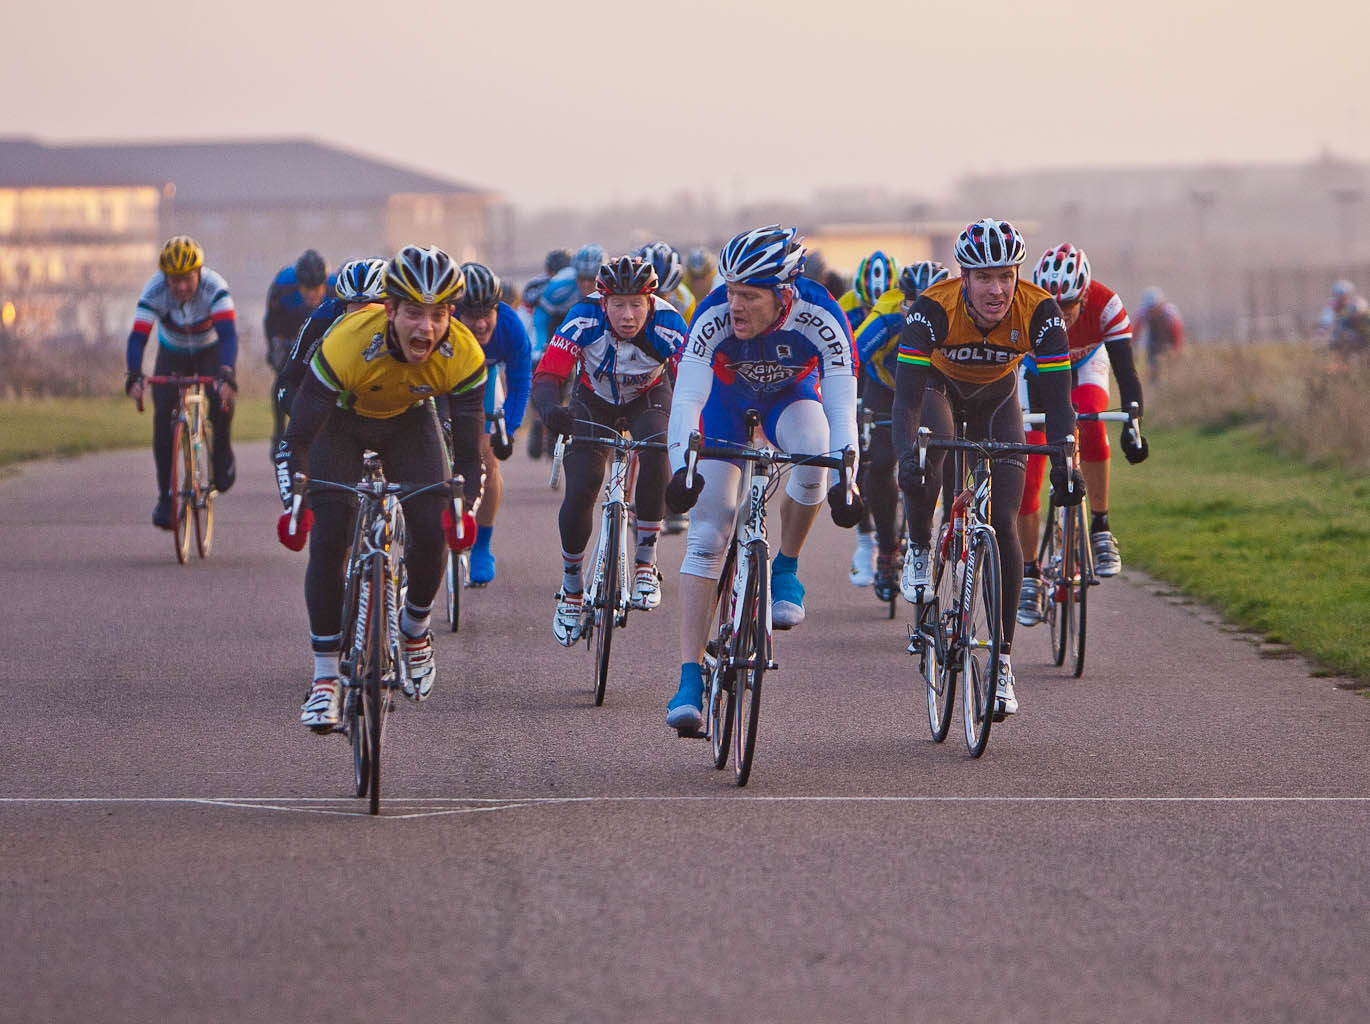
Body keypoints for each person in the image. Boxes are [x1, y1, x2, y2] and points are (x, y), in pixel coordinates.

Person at [274, 245, 487, 730]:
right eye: (413, 313)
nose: (425, 329)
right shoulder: (347, 341)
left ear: (450, 314)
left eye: (437, 315)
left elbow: (471, 460)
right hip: (340, 424)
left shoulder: (463, 354)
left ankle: (414, 629)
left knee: (433, 528)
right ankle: (326, 678)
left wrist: (464, 511)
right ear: (389, 309)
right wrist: (295, 504)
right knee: (328, 537)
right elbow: (297, 440)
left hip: (409, 422)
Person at [663, 225, 863, 730]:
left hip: (788, 400)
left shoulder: (821, 314)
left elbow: (842, 406)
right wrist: (681, 470)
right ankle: (690, 678)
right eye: (731, 292)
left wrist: (848, 478)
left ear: (783, 296)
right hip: (726, 406)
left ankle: (787, 569)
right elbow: (686, 399)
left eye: (749, 296)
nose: (735, 306)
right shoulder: (711, 315)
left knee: (816, 453)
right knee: (709, 532)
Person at [893, 219, 1081, 719]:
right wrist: (905, 456)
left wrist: (1066, 458)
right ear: (964, 277)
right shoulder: (933, 308)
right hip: (939, 390)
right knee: (928, 461)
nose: (996, 289)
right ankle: (918, 548)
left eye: (1005, 275)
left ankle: (1000, 662)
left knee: (1004, 521)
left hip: (999, 400)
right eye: (983, 278)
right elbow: (907, 399)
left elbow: (1061, 403)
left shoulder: (1040, 311)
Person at [531, 255, 687, 644]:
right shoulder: (583, 317)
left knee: (656, 450)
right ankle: (571, 589)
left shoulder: (669, 322)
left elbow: (693, 385)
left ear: (651, 300)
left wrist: (692, 433)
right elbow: (549, 374)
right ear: (603, 302)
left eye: (637, 303)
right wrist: (551, 410)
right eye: (618, 304)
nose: (628, 315)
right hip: (594, 398)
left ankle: (646, 563)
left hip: (649, 397)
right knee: (583, 483)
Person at [1016, 244, 1148, 625]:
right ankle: (1030, 572)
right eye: (1053, 306)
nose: (1061, 314)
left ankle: (1101, 527)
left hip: (1088, 364)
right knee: (1031, 466)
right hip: (1037, 372)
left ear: (1086, 294)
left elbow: (1127, 374)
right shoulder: (1026, 307)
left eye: (1070, 305)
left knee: (1091, 419)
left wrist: (1132, 425)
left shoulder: (1107, 305)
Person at [852, 259, 950, 600]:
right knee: (879, 463)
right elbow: (851, 356)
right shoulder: (887, 315)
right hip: (887, 388)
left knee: (944, 449)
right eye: (913, 302)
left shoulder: (954, 316)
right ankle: (887, 549)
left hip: (931, 390)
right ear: (901, 299)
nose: (920, 310)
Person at [124, 235, 239, 528]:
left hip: (210, 350)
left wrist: (226, 372)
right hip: (172, 352)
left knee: (220, 398)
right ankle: (166, 496)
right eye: (174, 280)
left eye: (187, 278)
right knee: (162, 415)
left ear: (199, 273)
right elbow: (138, 337)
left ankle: (222, 452)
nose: (181, 286)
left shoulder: (216, 288)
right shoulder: (154, 290)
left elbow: (228, 337)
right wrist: (134, 374)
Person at [452, 261, 533, 584]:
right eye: (472, 316)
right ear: (456, 313)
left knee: (488, 459)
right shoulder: (444, 326)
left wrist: (507, 430)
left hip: (484, 381)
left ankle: (482, 547)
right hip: (446, 379)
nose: (482, 323)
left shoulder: (510, 328)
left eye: (488, 313)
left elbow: (520, 381)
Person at [838, 251, 899, 587]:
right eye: (866, 309)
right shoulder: (845, 306)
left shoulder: (902, 309)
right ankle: (866, 541)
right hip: (869, 377)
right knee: (866, 457)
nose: (870, 314)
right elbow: (843, 357)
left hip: (902, 376)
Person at [274, 257, 388, 423]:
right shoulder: (322, 318)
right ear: (341, 305)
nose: (363, 319)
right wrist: (306, 421)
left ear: (392, 309)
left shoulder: (407, 324)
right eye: (354, 310)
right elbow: (288, 382)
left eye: (372, 310)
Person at [527, 244, 606, 460]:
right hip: (557, 322)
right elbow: (541, 319)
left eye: (592, 280)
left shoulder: (610, 288)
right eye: (582, 279)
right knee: (550, 370)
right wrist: (540, 348)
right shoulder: (560, 286)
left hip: (591, 326)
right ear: (574, 275)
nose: (586, 285)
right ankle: (540, 422)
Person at [265, 249, 333, 451]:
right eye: (306, 288)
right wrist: (273, 347)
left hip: (322, 331)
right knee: (283, 376)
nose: (312, 294)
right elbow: (271, 321)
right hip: (290, 329)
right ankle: (279, 431)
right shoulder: (283, 286)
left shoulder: (335, 287)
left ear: (325, 283)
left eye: (316, 288)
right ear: (298, 285)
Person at [520, 248, 574, 459]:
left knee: (559, 388)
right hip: (541, 341)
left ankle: (548, 429)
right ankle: (538, 424)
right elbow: (528, 301)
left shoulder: (573, 286)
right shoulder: (538, 285)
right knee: (543, 386)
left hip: (563, 341)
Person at [1134, 286, 1184, 381]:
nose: (1152, 311)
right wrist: (1132, 348)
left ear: (1160, 304)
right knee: (1153, 365)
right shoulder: (1143, 312)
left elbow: (1178, 335)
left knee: (1169, 367)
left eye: (1153, 308)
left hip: (1169, 339)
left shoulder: (1170, 314)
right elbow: (1136, 331)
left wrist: (1176, 351)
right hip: (1153, 340)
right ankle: (1153, 382)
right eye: (1150, 309)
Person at [639, 241, 696, 322]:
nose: (655, 302)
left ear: (673, 290)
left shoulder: (685, 301)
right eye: (650, 295)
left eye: (662, 296)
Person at [1324, 279, 1370, 359]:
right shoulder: (1334, 306)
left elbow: (1364, 316)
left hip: (1361, 335)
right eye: (1339, 296)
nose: (1342, 299)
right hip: (1346, 337)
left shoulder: (1358, 303)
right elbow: (1327, 319)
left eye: (1345, 295)